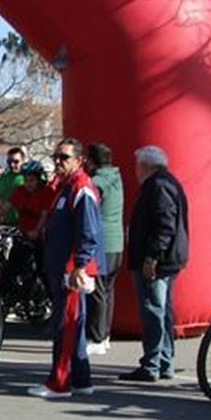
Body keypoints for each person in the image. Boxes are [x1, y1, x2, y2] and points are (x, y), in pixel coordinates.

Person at [29, 137, 102, 399]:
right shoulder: (65, 187)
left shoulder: (81, 189)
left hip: (70, 270)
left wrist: (79, 266)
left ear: (79, 160)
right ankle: (81, 380)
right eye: (56, 157)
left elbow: (88, 232)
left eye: (64, 157)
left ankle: (59, 383)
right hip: (61, 266)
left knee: (66, 327)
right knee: (73, 326)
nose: (58, 162)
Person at [122, 146, 188, 383]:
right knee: (162, 310)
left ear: (145, 166)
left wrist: (152, 256)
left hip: (157, 260)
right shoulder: (166, 183)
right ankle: (164, 361)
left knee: (153, 311)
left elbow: (164, 225)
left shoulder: (158, 186)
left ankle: (152, 363)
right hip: (167, 258)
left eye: (138, 165)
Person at [84, 143, 124, 355]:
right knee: (108, 290)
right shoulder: (116, 178)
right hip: (117, 241)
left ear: (92, 161)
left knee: (97, 291)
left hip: (102, 241)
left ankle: (96, 337)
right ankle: (105, 334)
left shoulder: (96, 182)